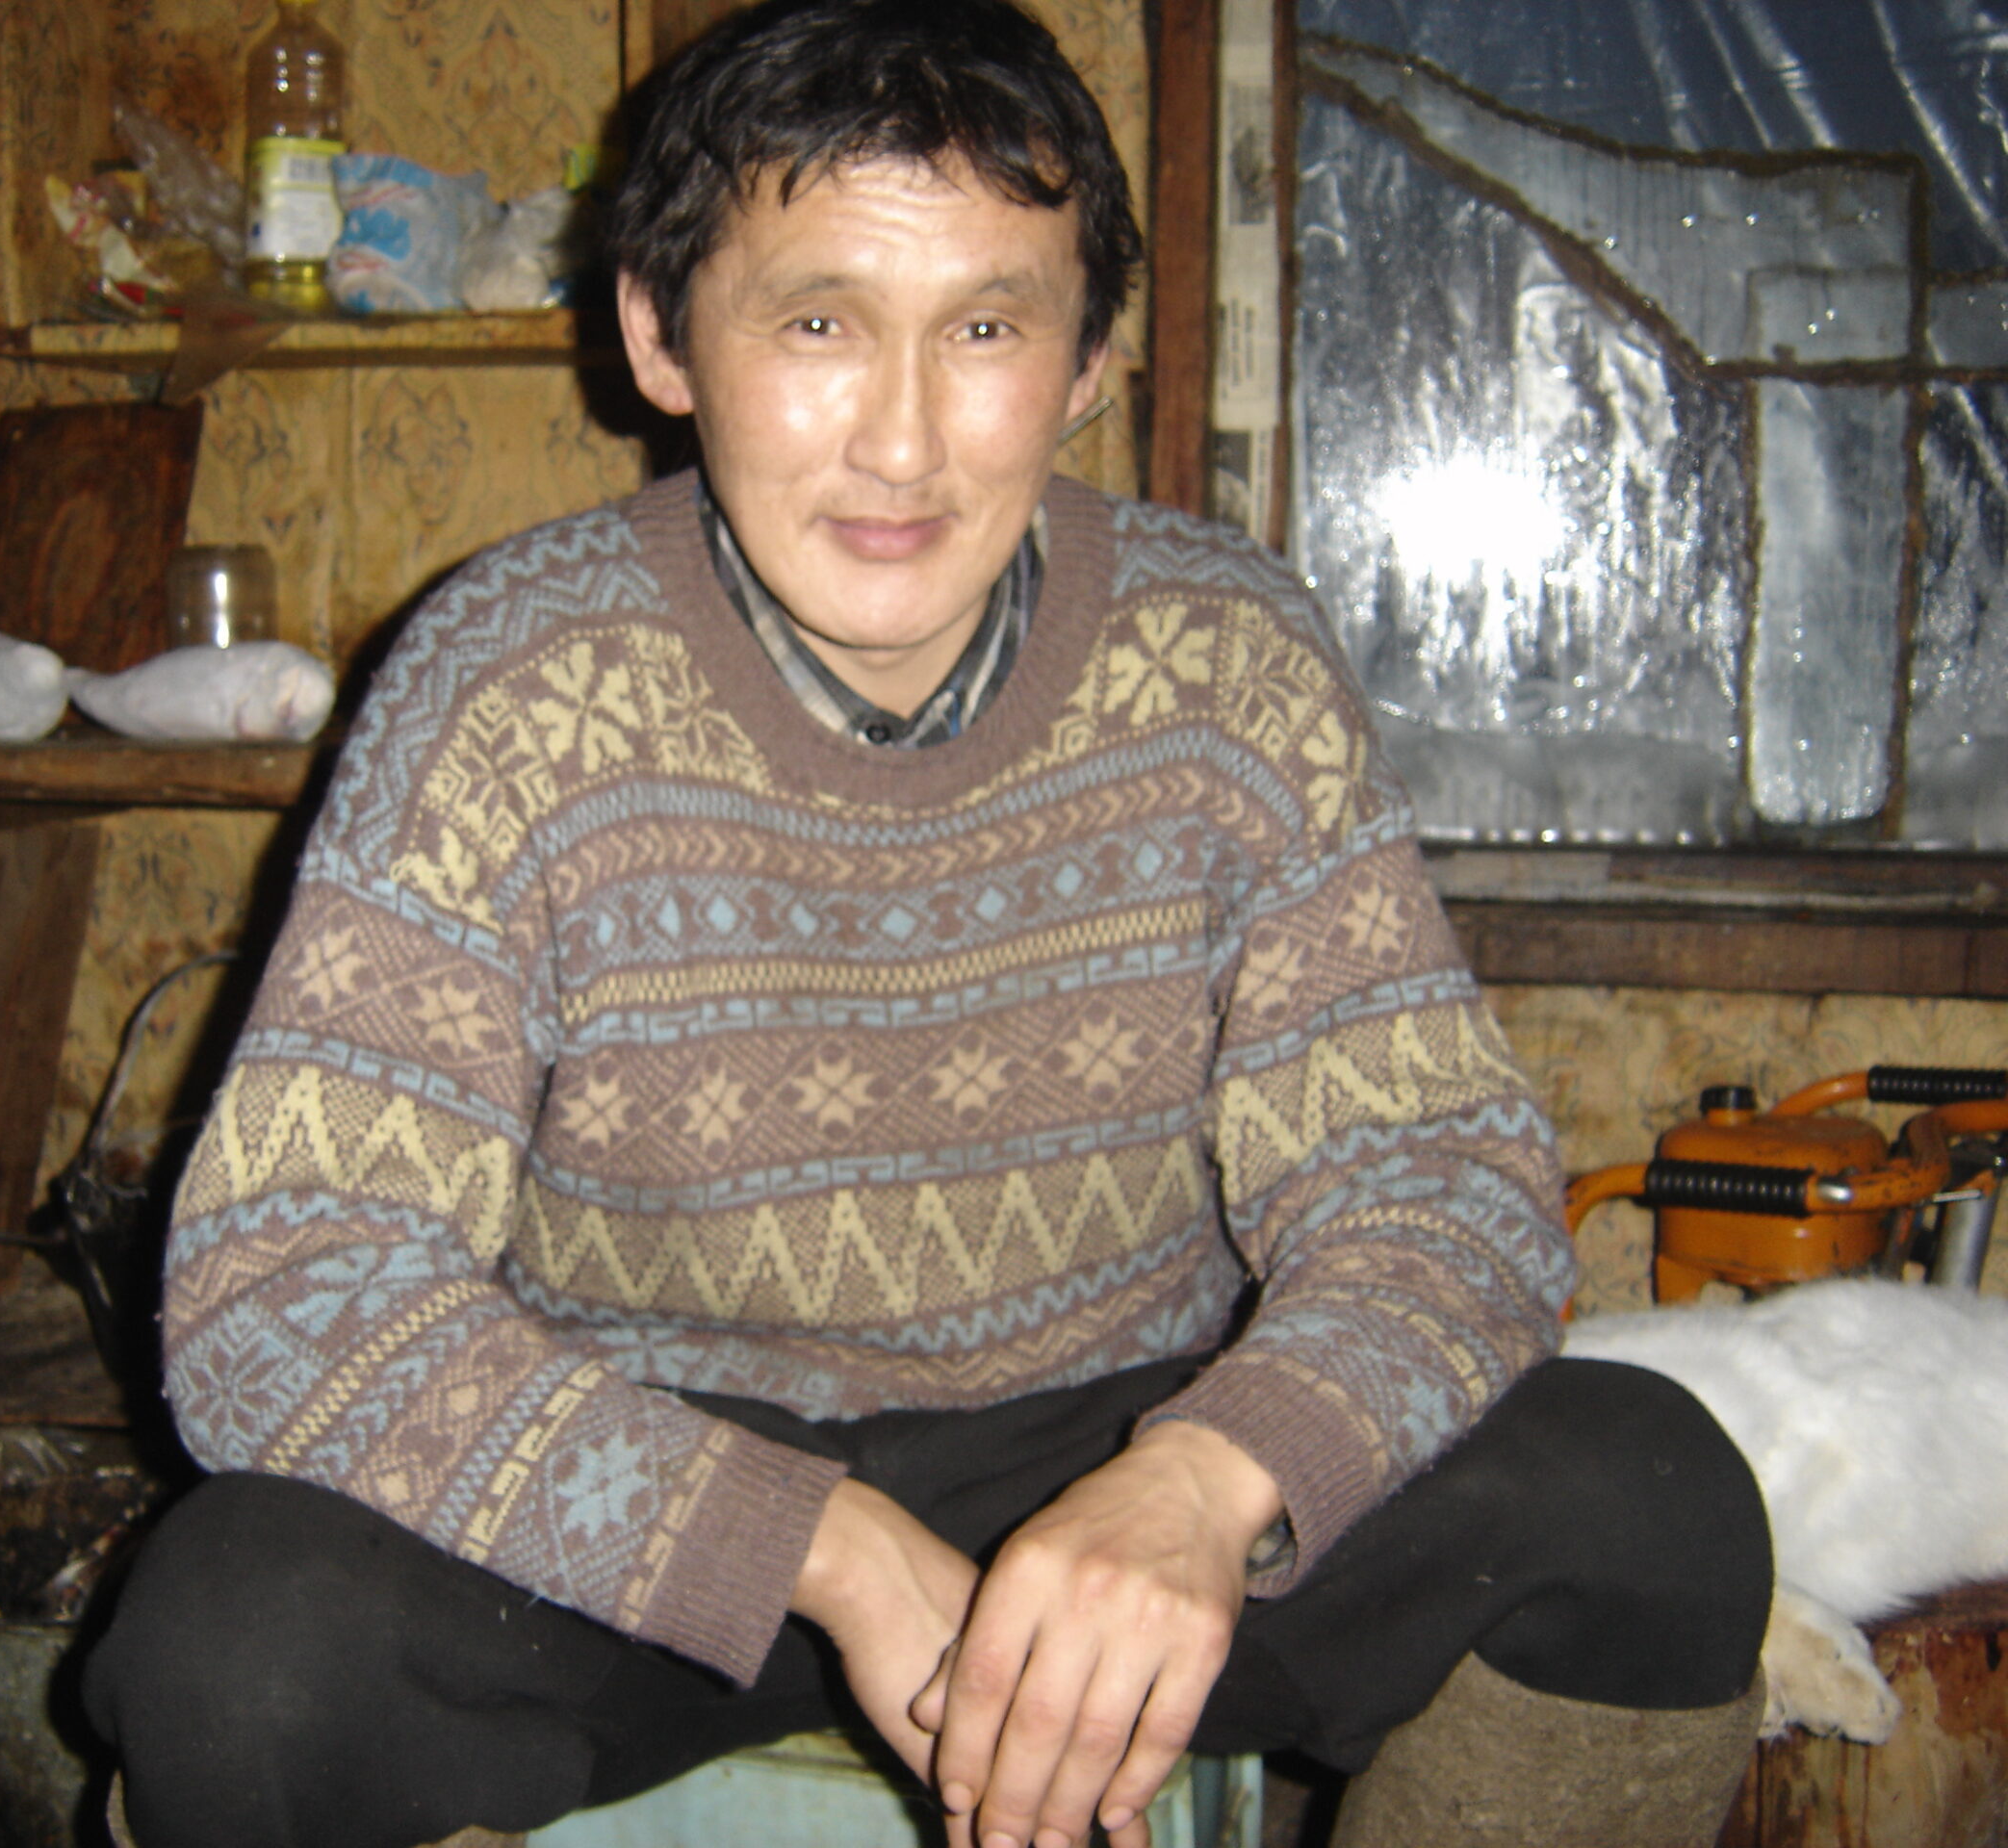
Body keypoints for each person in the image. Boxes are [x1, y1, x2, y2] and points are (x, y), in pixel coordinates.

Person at [86, 4, 1772, 1844]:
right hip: (650, 1498)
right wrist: (817, 1544)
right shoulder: (498, 685)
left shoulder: (1228, 663)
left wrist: (1208, 1481)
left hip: (1107, 1465)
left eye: (985, 329)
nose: (899, 442)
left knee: (1648, 1499)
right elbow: (280, 1287)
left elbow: (1441, 1177)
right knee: (240, 1644)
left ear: (1089, 362)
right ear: (659, 335)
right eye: (817, 324)